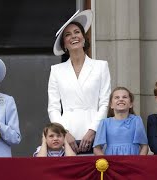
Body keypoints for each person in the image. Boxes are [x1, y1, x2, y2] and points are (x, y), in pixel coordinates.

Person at [48, 9, 111, 154]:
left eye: (77, 32)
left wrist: (92, 130)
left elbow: (104, 103)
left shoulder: (101, 66)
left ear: (84, 38)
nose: (73, 36)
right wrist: (63, 133)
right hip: (67, 134)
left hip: (96, 133)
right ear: (64, 44)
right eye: (68, 35)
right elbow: (53, 107)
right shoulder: (56, 70)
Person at [93, 87, 148, 155]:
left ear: (131, 104)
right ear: (111, 105)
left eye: (124, 97)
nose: (121, 99)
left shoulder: (136, 121)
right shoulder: (105, 123)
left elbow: (144, 146)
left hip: (132, 162)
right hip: (111, 162)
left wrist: (139, 162)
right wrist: (105, 162)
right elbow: (97, 148)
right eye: (117, 97)